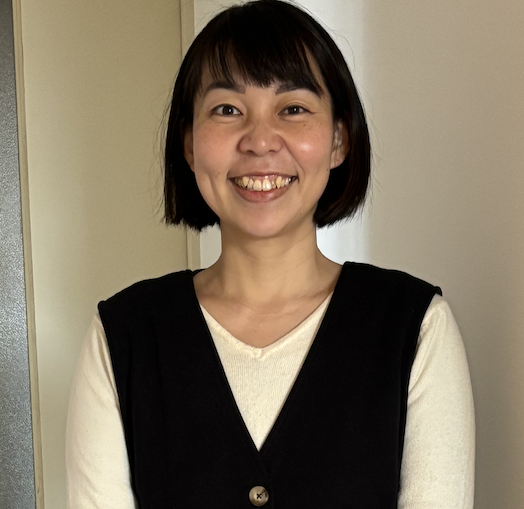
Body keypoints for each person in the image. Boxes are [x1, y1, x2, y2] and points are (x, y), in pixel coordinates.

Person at [66, 1, 475, 507]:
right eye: (227, 110)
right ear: (189, 144)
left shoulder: (415, 327)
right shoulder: (123, 337)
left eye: (293, 109)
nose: (260, 141)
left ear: (339, 139)